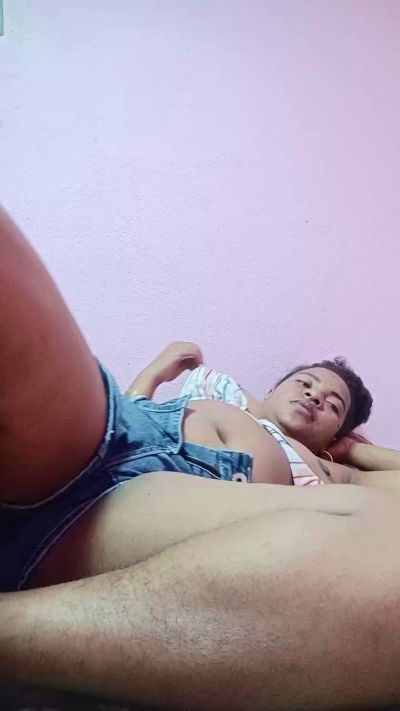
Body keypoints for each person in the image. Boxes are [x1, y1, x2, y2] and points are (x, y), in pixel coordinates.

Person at [2, 204, 400, 709]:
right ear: (273, 389)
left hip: (155, 513)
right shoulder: (223, 392)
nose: (315, 395)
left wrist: (357, 451)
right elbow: (131, 412)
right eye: (306, 382)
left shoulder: (329, 468)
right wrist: (153, 373)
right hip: (119, 432)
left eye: (333, 404)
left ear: (336, 434)